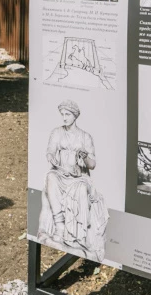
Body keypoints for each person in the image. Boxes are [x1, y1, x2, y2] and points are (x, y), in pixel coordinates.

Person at [38, 100, 107, 263]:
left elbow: (92, 165)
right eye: (62, 114)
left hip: (79, 177)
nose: (64, 118)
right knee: (50, 177)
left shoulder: (85, 137)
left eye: (67, 114)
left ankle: (79, 236)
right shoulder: (57, 133)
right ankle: (60, 225)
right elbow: (50, 151)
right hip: (60, 173)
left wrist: (84, 156)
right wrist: (52, 158)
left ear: (75, 116)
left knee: (82, 189)